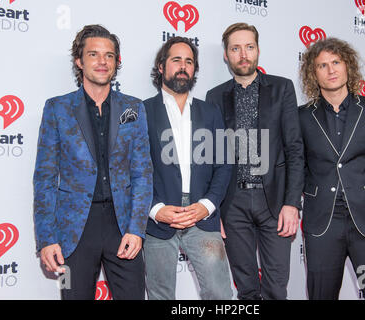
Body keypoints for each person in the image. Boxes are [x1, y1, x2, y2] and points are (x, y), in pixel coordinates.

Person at [33, 24, 152, 300]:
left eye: (109, 55)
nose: (102, 61)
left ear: (116, 62)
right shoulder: (57, 108)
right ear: (79, 61)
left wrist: (137, 229)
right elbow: (45, 179)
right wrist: (47, 238)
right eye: (94, 54)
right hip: (74, 231)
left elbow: (142, 173)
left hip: (122, 227)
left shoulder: (133, 108)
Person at [205, 23, 304, 300]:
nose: (243, 54)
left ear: (258, 50)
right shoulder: (214, 96)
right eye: (235, 48)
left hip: (274, 201)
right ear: (226, 55)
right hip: (233, 204)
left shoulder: (282, 88)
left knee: (275, 288)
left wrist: (292, 203)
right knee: (246, 289)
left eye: (249, 47)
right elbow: (211, 158)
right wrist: (214, 209)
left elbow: (295, 148)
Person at [298, 37, 365, 300]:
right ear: (313, 73)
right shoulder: (302, 117)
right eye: (322, 65)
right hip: (323, 225)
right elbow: (299, 165)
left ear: (347, 66)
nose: (331, 70)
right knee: (322, 295)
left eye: (336, 62)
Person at [143, 37, 233, 300]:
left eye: (189, 61)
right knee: (161, 295)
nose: (183, 66)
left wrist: (208, 204)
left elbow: (224, 164)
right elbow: (132, 169)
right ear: (161, 66)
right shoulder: (141, 111)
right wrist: (156, 210)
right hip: (157, 219)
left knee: (219, 292)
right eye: (176, 60)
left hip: (202, 216)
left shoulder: (210, 112)